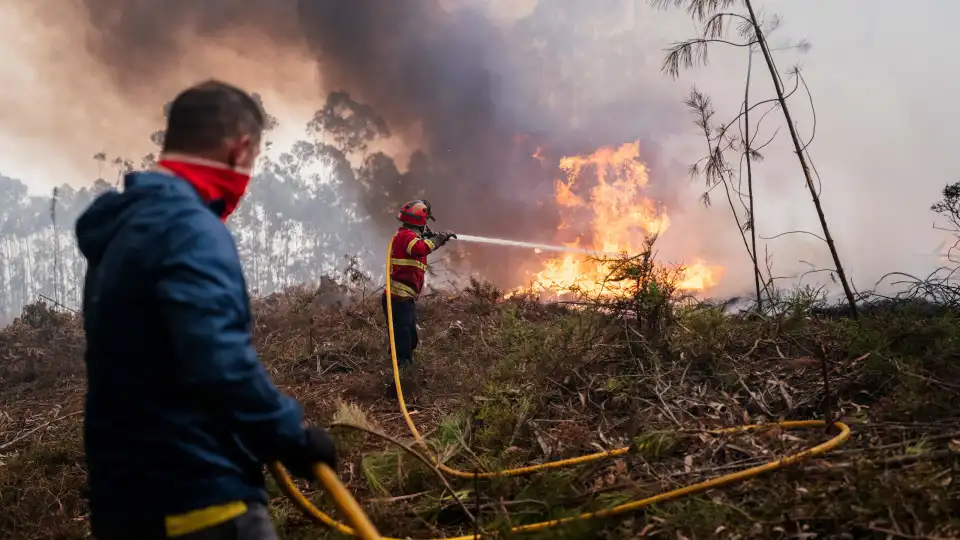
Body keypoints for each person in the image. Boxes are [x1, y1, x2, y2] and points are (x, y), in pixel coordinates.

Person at [75, 80, 337, 540]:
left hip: (123, 504)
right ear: (241, 149)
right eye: (252, 161)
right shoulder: (190, 228)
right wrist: (291, 436)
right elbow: (219, 363)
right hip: (200, 499)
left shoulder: (124, 228)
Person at [383, 199, 456, 388]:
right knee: (403, 335)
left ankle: (403, 364)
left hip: (404, 299)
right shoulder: (406, 237)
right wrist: (438, 239)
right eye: (425, 222)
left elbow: (420, 247)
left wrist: (431, 238)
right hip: (397, 299)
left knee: (410, 336)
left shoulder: (407, 236)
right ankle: (401, 375)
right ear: (420, 220)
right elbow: (420, 248)